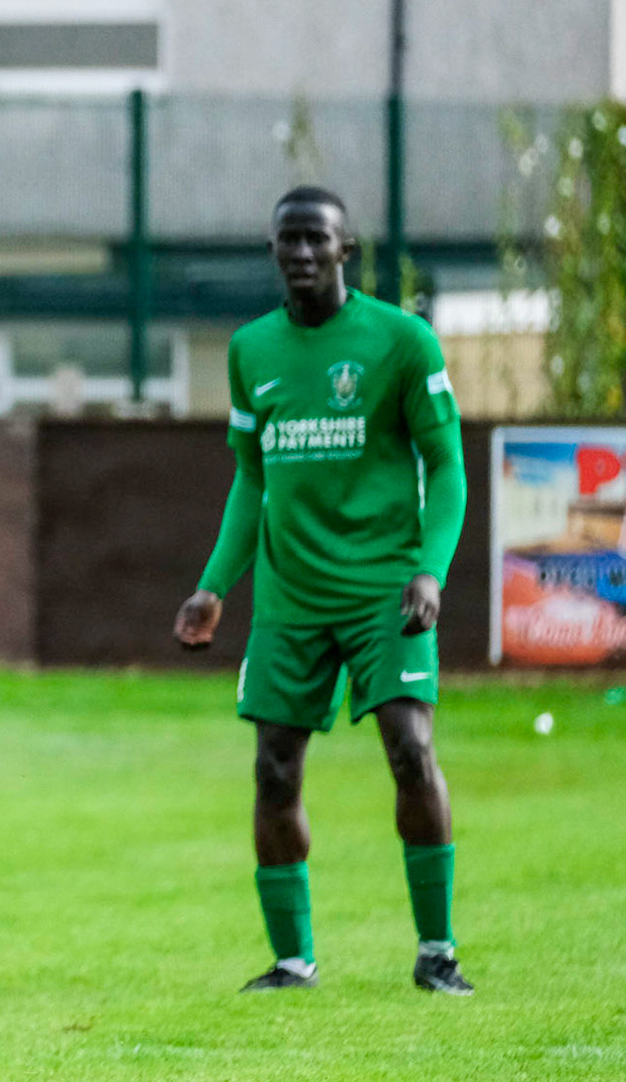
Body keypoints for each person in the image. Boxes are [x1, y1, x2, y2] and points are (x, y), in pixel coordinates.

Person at [174, 186, 473, 996]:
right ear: (272, 252)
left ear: (346, 250)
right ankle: (293, 960)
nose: (301, 254)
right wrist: (213, 587)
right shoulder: (251, 351)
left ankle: (436, 950)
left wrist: (429, 569)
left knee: (411, 749)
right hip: (290, 597)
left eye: (317, 240)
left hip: (386, 588)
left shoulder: (402, 341)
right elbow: (250, 479)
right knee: (273, 771)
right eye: (287, 242)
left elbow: (446, 469)